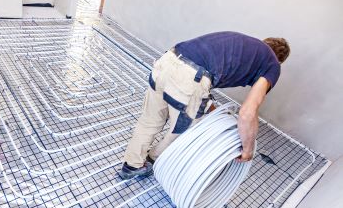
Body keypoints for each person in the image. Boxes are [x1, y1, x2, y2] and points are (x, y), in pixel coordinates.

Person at [119, 32, 290, 180]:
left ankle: (132, 165)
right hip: (190, 77)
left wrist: (213, 110)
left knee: (149, 120)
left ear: (265, 42)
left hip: (168, 60)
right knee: (183, 132)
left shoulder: (245, 43)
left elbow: (201, 85)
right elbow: (247, 112)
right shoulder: (272, 65)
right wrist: (248, 149)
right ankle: (154, 160)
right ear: (280, 60)